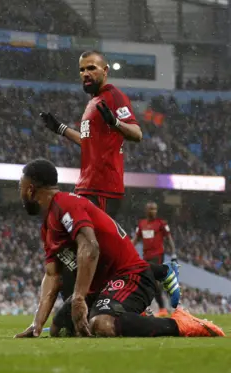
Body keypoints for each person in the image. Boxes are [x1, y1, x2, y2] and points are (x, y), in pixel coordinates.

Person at [14, 158, 224, 338]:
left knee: (102, 324)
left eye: (21, 187)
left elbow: (91, 246)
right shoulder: (47, 226)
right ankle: (130, 316)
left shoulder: (66, 204)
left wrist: (78, 297)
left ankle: (180, 324)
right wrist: (37, 325)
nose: (20, 193)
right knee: (59, 329)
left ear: (31, 189)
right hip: (102, 286)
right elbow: (52, 276)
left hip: (131, 275)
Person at [39, 50, 180, 313]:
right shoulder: (92, 103)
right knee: (77, 252)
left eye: (91, 68)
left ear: (105, 71)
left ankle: (156, 275)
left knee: (92, 252)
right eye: (81, 70)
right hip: (86, 185)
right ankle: (83, 311)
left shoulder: (113, 97)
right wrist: (59, 128)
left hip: (103, 187)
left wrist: (115, 121)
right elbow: (88, 143)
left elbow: (136, 133)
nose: (85, 74)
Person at [132, 202, 179, 316]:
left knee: (153, 281)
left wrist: (173, 253)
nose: (153, 211)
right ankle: (150, 308)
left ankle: (161, 308)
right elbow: (135, 239)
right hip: (146, 257)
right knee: (146, 282)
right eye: (151, 209)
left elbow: (169, 238)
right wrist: (127, 248)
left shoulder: (161, 223)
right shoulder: (141, 224)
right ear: (146, 210)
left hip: (157, 255)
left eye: (155, 209)